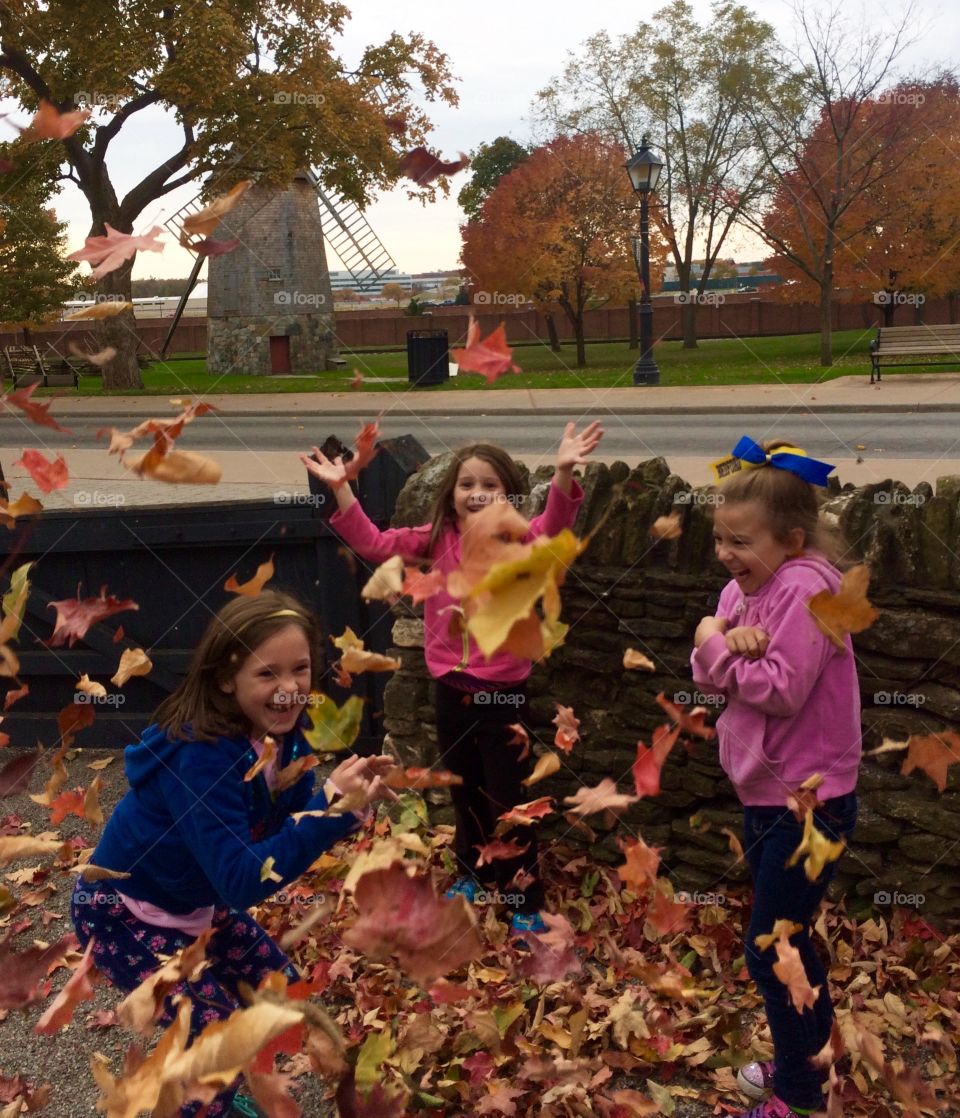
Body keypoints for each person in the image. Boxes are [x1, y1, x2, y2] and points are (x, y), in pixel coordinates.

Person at [72, 591, 394, 1118]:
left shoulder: (279, 735)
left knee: (276, 992)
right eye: (268, 674)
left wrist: (344, 805)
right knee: (212, 1040)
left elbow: (288, 823)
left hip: (195, 906)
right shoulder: (200, 758)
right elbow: (244, 880)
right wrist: (328, 811)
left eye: (301, 669)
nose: (290, 690)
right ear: (227, 679)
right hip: (121, 914)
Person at [302, 422, 604, 935]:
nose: (477, 493)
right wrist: (340, 487)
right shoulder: (434, 539)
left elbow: (554, 523)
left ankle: (521, 898)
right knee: (464, 790)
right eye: (467, 484)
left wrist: (563, 472)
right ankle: (470, 870)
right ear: (453, 494)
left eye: (489, 485)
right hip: (450, 691)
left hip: (503, 696)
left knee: (509, 801)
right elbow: (375, 544)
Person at [690, 437, 861, 1118]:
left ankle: (800, 1092)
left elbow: (783, 689)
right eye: (719, 539)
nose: (726, 555)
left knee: (773, 947)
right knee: (787, 939)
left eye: (740, 541)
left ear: (791, 540)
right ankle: (811, 1054)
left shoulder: (807, 591)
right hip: (764, 794)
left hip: (807, 806)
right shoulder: (746, 584)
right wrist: (715, 636)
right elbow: (708, 667)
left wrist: (712, 640)